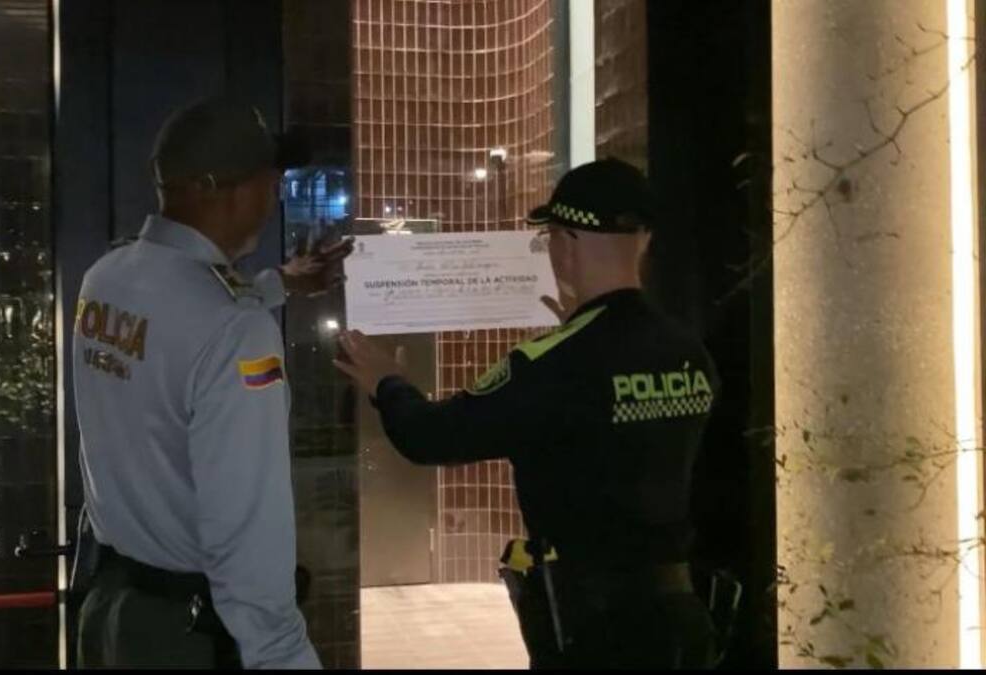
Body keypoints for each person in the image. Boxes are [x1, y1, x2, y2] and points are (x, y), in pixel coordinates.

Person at [334, 158, 719, 669]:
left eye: (549, 237)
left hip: (595, 634)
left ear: (566, 243)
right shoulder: (688, 351)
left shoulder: (553, 363)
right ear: (643, 240)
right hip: (681, 620)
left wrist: (388, 382)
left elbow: (430, 437)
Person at [72, 95, 351, 669]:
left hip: (110, 609)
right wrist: (283, 655)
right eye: (268, 182)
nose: (272, 199)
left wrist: (280, 284)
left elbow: (180, 333)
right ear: (212, 189)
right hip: (187, 634)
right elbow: (246, 525)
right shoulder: (237, 332)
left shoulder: (107, 278)